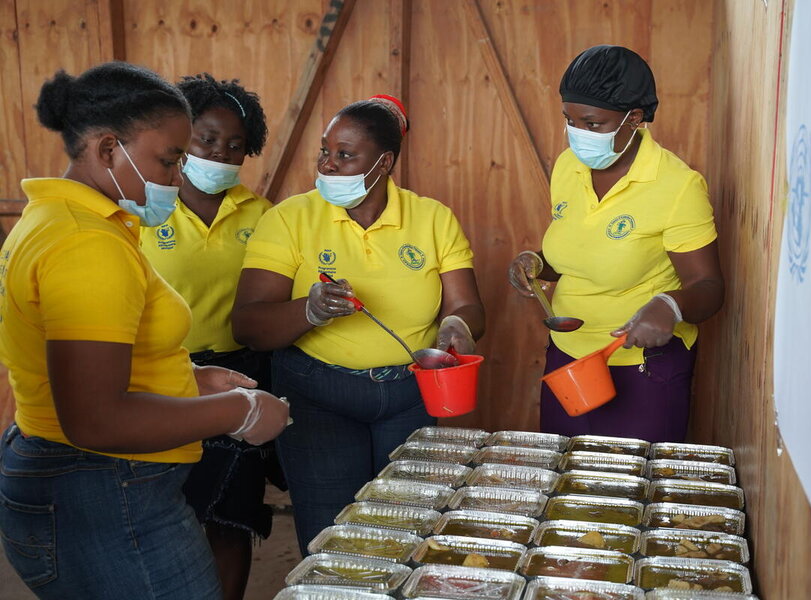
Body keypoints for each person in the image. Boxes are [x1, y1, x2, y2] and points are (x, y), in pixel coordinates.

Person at [0, 62, 289, 600]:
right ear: (109, 149)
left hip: (78, 473)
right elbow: (96, 418)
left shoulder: (57, 219)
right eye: (170, 158)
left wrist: (189, 379)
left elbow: (100, 361)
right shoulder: (86, 244)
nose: (178, 176)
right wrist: (240, 413)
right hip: (102, 484)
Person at [231, 95, 485, 549]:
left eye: (345, 156)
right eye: (325, 152)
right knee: (332, 535)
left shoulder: (431, 219)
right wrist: (308, 310)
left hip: (410, 394)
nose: (328, 165)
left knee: (405, 529)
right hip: (317, 396)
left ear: (384, 163)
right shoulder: (290, 219)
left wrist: (456, 329)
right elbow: (248, 326)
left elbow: (467, 307)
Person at [508, 45, 724, 442]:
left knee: (632, 488)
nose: (577, 134)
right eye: (569, 120)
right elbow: (578, 252)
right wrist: (536, 264)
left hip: (642, 366)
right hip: (567, 356)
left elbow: (708, 288)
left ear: (634, 119)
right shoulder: (568, 166)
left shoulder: (676, 186)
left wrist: (671, 305)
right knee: (565, 482)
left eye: (592, 123)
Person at [139, 73, 280, 600]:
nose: (220, 152)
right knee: (160, 515)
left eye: (235, 146)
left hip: (240, 377)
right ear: (182, 139)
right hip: (160, 381)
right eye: (207, 139)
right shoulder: (145, 208)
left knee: (231, 517)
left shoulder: (263, 215)